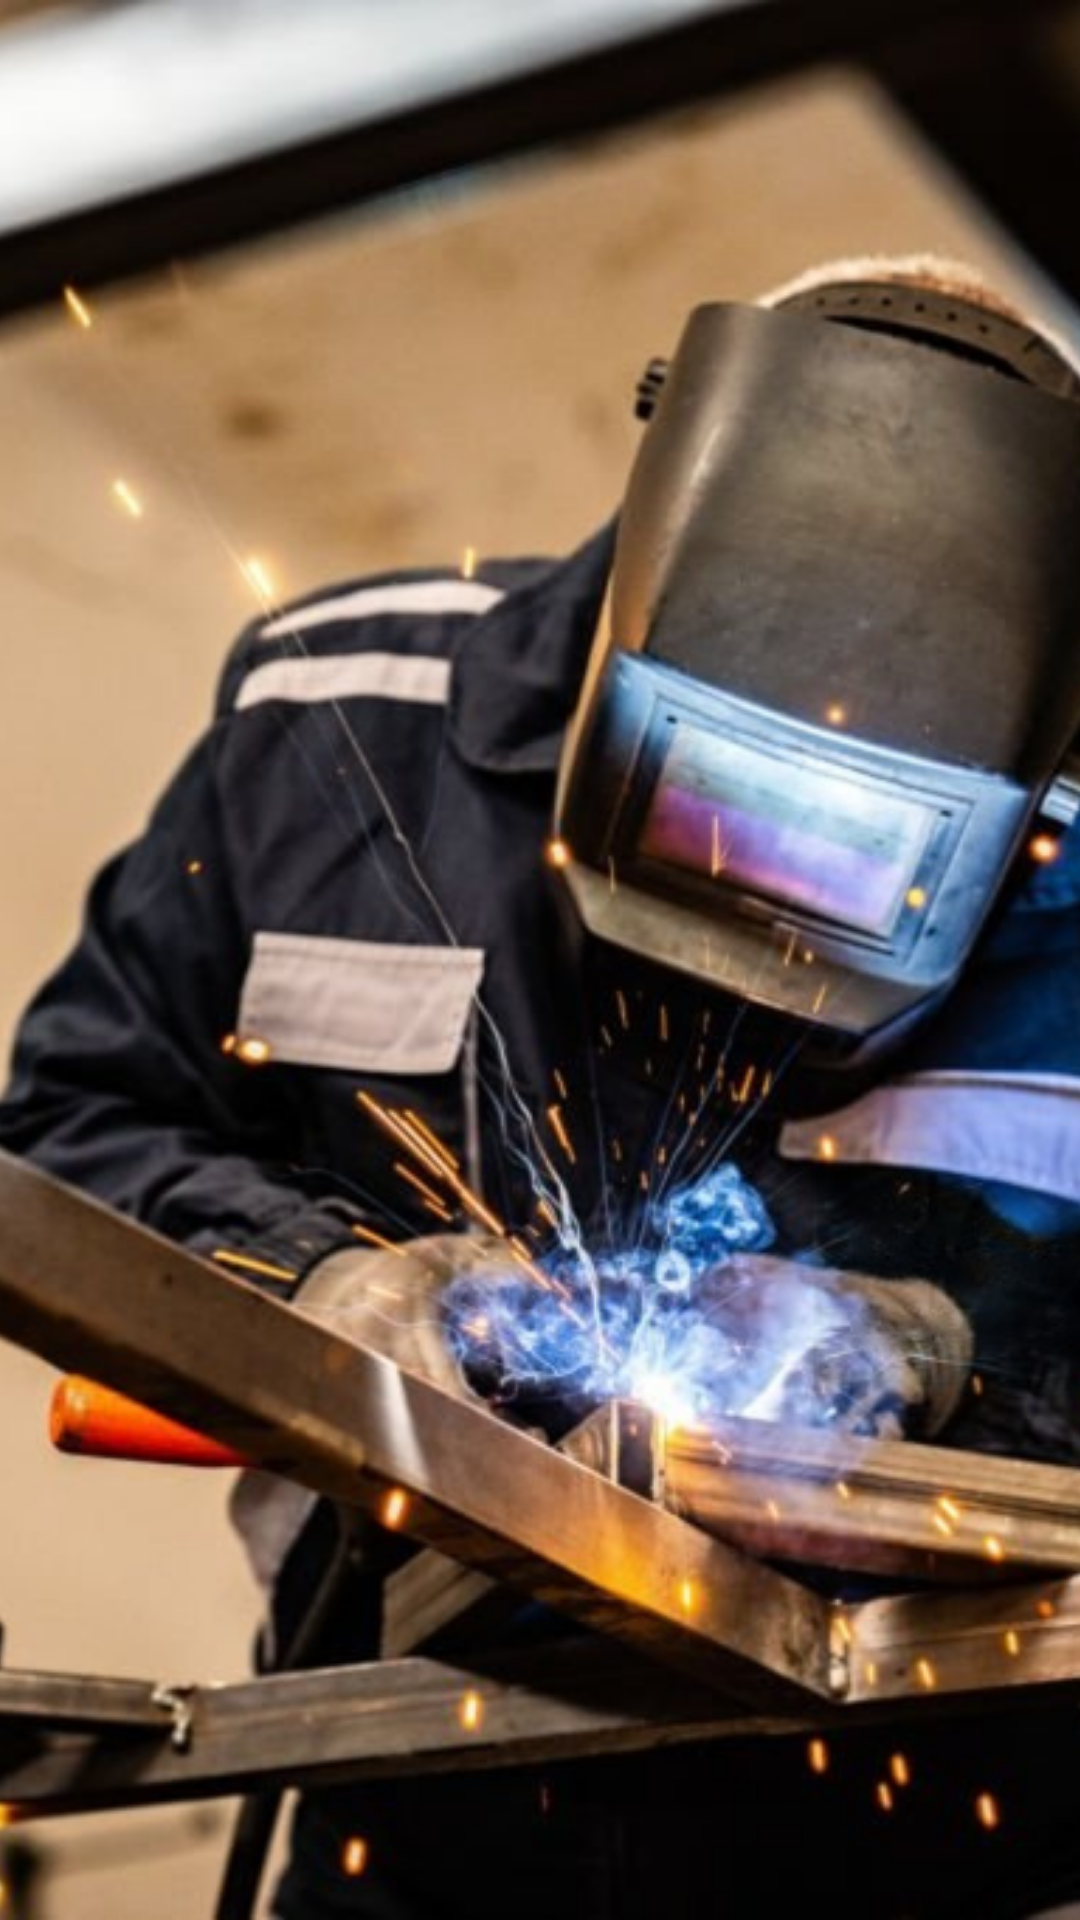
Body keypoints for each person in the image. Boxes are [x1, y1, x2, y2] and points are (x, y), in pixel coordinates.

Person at [5, 252, 1080, 1917]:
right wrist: (321, 1283)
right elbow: (76, 1129)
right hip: (408, 1775)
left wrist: (961, 1351)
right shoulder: (342, 728)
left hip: (930, 1842)